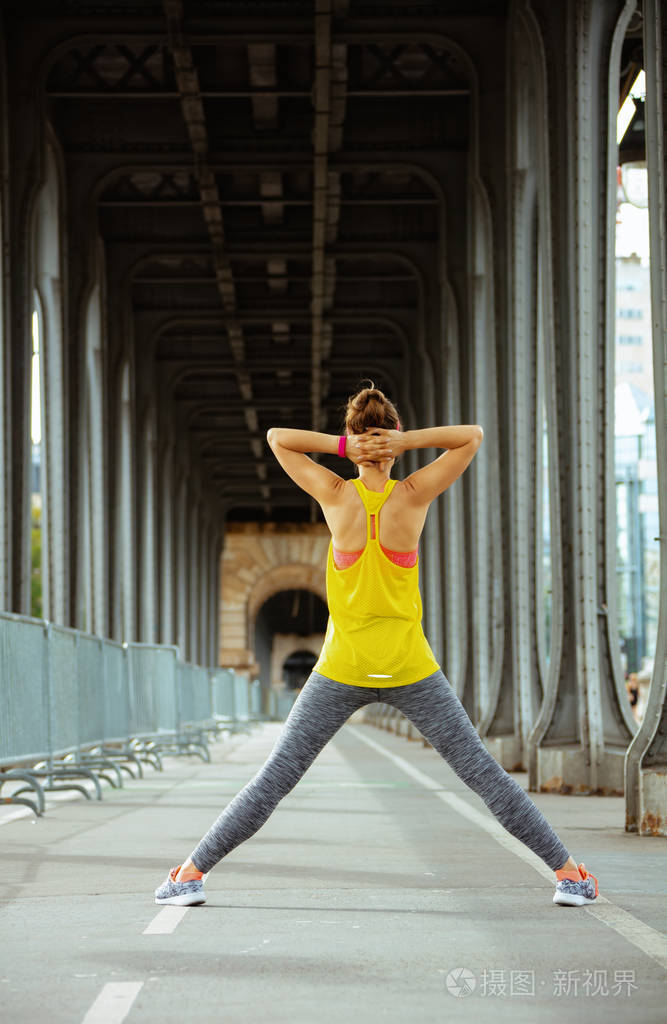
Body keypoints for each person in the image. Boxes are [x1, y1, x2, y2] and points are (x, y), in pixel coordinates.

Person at [154, 382, 599, 909]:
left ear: (353, 438)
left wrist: (344, 450)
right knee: (483, 775)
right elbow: (471, 437)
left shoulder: (336, 496)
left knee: (273, 780)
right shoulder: (412, 495)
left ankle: (189, 874)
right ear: (391, 437)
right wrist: (403, 446)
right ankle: (570, 875)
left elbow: (278, 438)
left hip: (340, 669)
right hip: (411, 668)